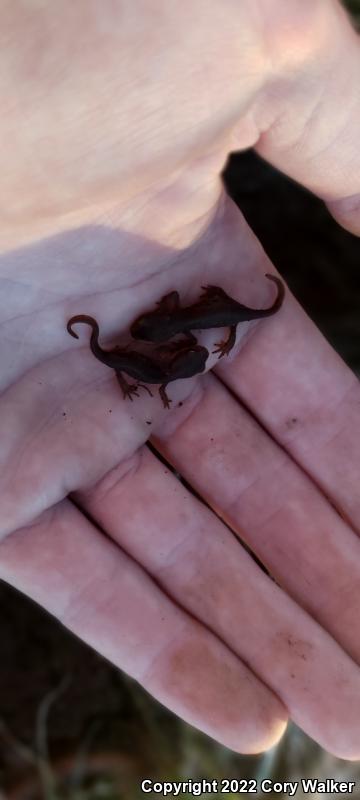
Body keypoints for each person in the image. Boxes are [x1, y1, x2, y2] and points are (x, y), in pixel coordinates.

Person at [0, 0, 359, 759]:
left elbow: (166, 343)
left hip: (181, 340)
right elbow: (155, 349)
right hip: (171, 345)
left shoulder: (181, 334)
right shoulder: (167, 342)